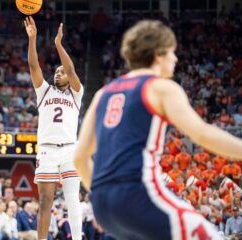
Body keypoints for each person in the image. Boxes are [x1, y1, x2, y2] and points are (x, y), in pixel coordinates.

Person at [74, 20, 242, 239]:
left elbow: (79, 157)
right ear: (159, 54)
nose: (175, 58)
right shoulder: (161, 87)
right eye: (172, 52)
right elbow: (202, 133)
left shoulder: (102, 94)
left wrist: (102, 195)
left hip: (104, 206)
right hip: (138, 194)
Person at [24, 16, 83, 240]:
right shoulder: (44, 91)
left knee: (72, 199)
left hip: (69, 149)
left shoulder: (77, 94)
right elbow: (33, 65)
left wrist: (58, 45)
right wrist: (33, 39)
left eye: (62, 72)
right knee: (46, 201)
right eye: (56, 71)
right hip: (47, 150)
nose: (58, 73)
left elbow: (71, 67)